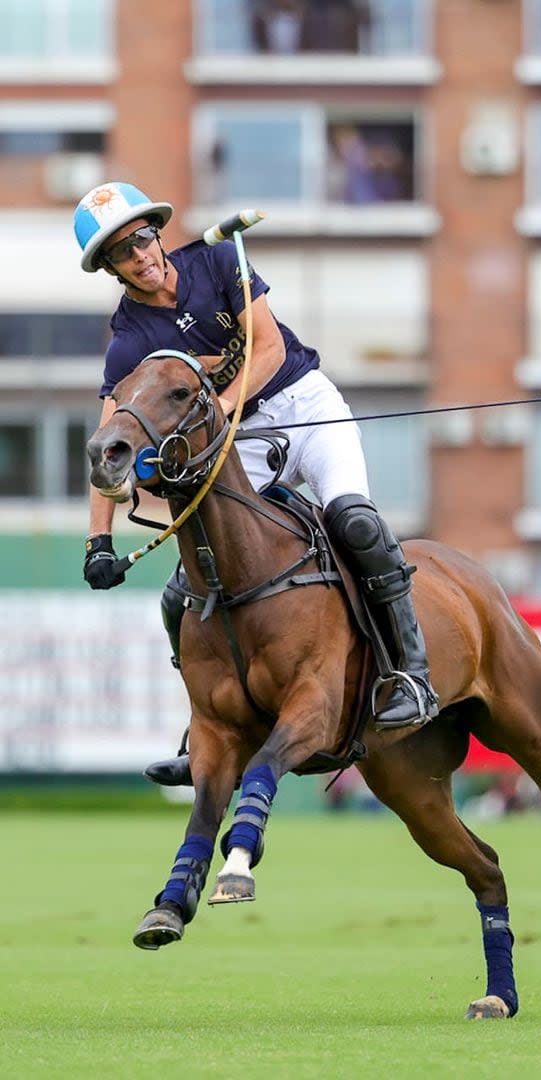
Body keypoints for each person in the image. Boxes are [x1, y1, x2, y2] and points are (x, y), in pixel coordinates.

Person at [74, 180, 439, 785]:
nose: (139, 256)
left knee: (355, 518)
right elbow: (109, 446)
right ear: (111, 268)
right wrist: (99, 540)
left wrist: (212, 402)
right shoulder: (130, 341)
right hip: (240, 441)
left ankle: (412, 674)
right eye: (121, 252)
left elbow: (267, 348)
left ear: (155, 232)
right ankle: (203, 728)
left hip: (302, 405)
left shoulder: (218, 258)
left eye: (141, 239)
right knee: (183, 588)